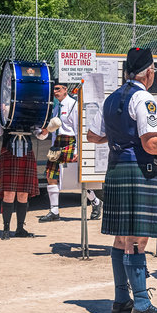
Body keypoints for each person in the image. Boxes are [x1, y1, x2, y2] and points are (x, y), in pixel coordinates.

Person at [87, 48, 157, 313]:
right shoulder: (144, 98)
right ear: (149, 72)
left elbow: (94, 136)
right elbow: (151, 143)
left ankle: (121, 301)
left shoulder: (112, 98)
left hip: (116, 168)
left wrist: (122, 139)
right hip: (140, 170)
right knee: (138, 238)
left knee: (121, 237)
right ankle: (141, 304)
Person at [39, 82, 102, 222]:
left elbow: (79, 129)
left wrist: (78, 150)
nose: (55, 92)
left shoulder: (74, 105)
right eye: (54, 89)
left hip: (70, 143)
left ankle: (96, 202)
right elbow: (52, 130)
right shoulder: (55, 108)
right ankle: (54, 211)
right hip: (57, 145)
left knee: (75, 178)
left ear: (65, 90)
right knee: (51, 175)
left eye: (58, 89)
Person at [0, 103, 40, 239]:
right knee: (9, 193)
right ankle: (6, 229)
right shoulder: (4, 109)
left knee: (23, 193)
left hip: (26, 151)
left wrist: (45, 130)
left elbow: (40, 134)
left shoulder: (29, 111)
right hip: (9, 151)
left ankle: (20, 229)